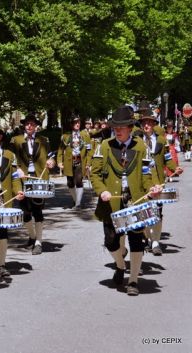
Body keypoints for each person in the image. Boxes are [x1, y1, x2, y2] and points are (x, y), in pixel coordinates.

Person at [90, 106, 162, 296]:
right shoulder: (104, 146)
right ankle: (121, 266)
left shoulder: (141, 147)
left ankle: (133, 281)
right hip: (110, 202)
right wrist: (102, 190)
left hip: (135, 200)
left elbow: (148, 173)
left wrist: (153, 187)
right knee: (111, 242)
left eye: (122, 127)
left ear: (130, 127)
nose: (118, 130)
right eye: (115, 127)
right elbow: (95, 174)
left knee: (136, 240)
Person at [9, 113, 55, 255]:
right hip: (22, 178)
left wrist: (51, 162)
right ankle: (32, 236)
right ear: (24, 125)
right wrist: (17, 170)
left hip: (38, 178)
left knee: (37, 210)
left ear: (36, 126)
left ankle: (39, 242)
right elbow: (10, 159)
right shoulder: (15, 140)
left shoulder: (43, 140)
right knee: (25, 210)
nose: (30, 126)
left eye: (32, 124)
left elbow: (51, 157)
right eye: (27, 124)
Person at [0, 120, 24, 277]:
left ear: (1, 136)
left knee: (2, 230)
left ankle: (1, 263)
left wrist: (19, 190)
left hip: (5, 197)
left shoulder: (9, 155)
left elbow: (14, 176)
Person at [139, 114, 182, 255]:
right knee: (145, 212)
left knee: (157, 211)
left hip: (158, 180)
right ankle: (148, 239)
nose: (146, 126)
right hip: (141, 180)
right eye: (144, 123)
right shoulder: (136, 141)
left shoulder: (162, 140)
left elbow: (167, 158)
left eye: (149, 123)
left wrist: (174, 168)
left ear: (153, 125)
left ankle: (156, 242)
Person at [57, 115, 92, 209]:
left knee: (79, 181)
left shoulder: (85, 135)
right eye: (75, 123)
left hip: (80, 161)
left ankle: (78, 203)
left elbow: (89, 151)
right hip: (69, 161)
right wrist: (59, 162)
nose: (77, 124)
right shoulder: (65, 136)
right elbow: (60, 150)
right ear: (71, 124)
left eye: (78, 123)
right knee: (70, 183)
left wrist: (88, 164)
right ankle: (75, 199)